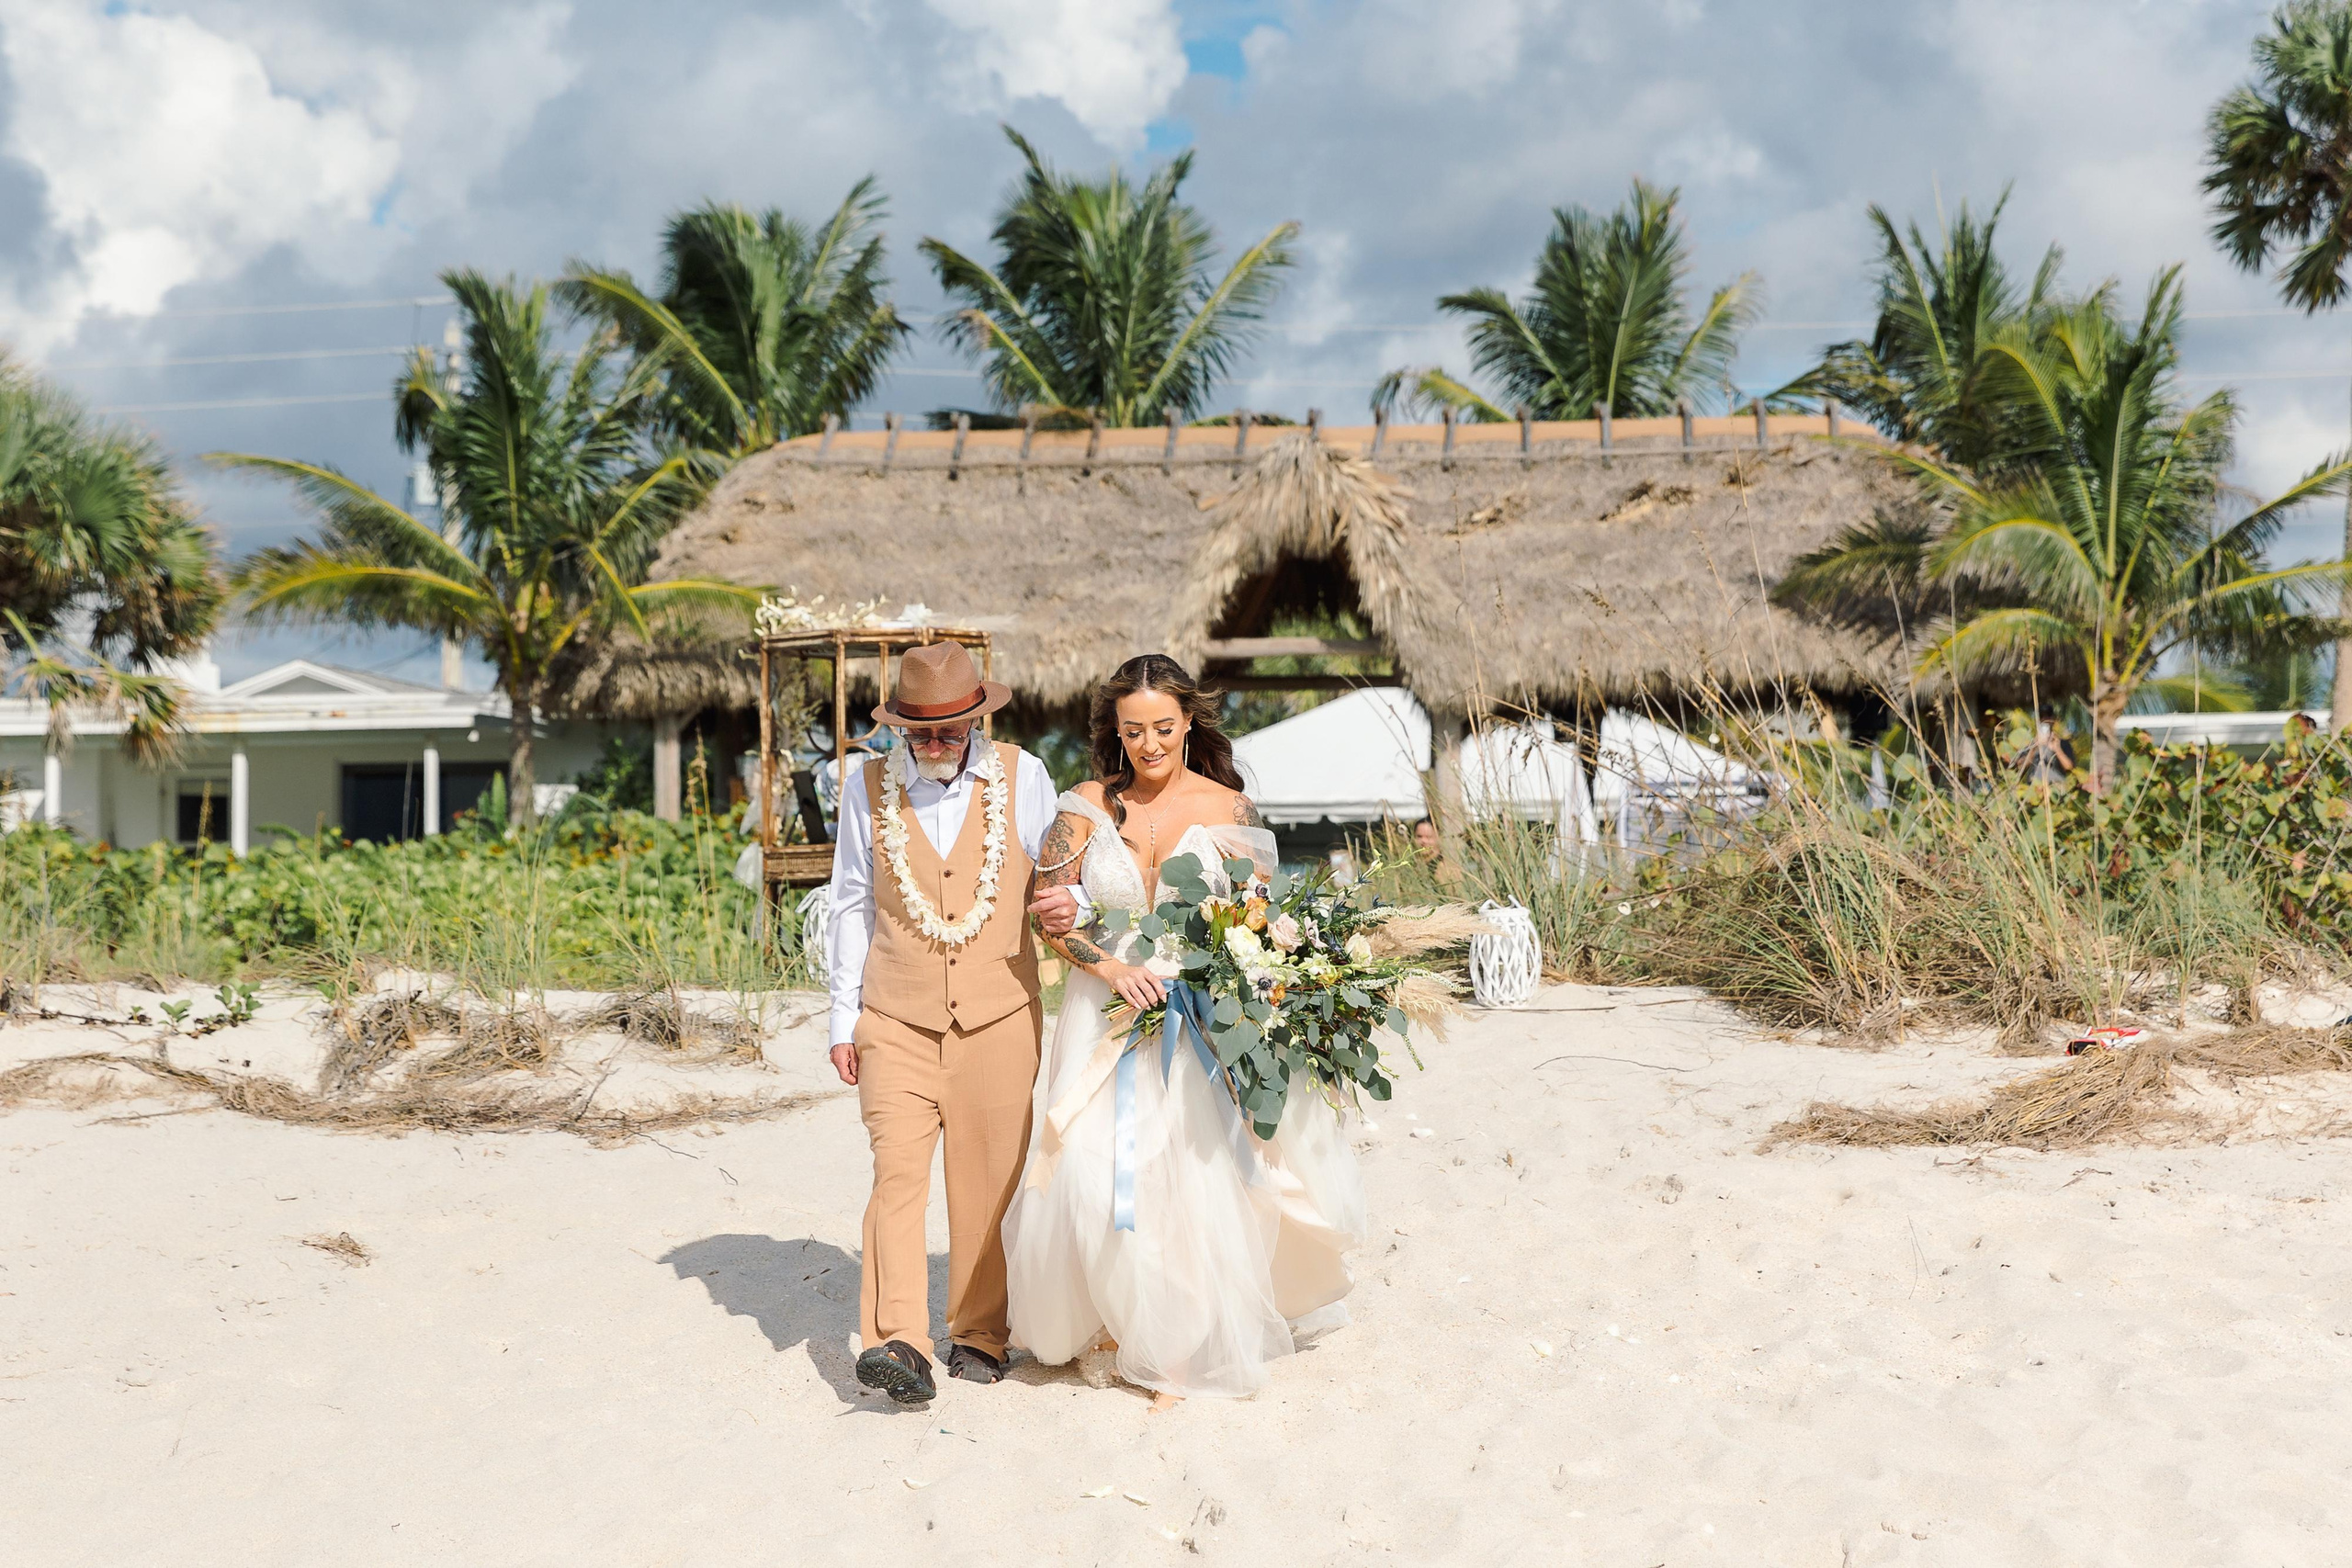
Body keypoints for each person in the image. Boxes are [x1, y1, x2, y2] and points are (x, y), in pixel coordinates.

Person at [1003, 654, 1367, 1406]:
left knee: (1188, 1178)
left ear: (1189, 721)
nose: (1150, 745)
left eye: (1164, 728)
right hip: (1103, 1008)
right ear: (1115, 730)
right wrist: (1110, 966)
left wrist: (1224, 974)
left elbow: (1257, 919)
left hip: (1194, 1012)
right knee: (1091, 1171)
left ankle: (1173, 1350)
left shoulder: (1229, 808)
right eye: (1134, 730)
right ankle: (1112, 1322)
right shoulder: (1082, 808)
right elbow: (1047, 913)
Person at [823, 639, 1083, 1406]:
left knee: (989, 1179)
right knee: (896, 1175)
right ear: (900, 727)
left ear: (976, 719)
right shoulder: (864, 787)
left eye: (950, 730)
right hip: (893, 1015)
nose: (935, 744)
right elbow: (850, 900)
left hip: (999, 1012)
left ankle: (978, 1332)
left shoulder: (1024, 776)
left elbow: (1059, 878)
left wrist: (1072, 905)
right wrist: (842, 1017)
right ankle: (897, 1339)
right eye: (920, 732)